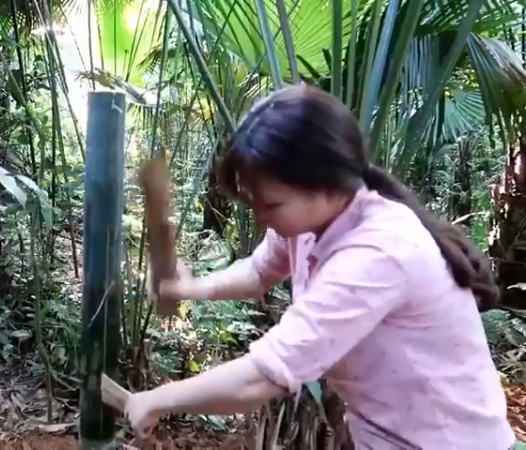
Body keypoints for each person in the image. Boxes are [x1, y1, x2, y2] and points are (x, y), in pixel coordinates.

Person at [124, 84, 516, 448]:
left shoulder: (379, 252)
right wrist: (193, 288)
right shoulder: (310, 220)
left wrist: (160, 399)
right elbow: (260, 270)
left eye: (271, 204)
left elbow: (262, 378)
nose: (261, 217)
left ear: (328, 183)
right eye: (255, 202)